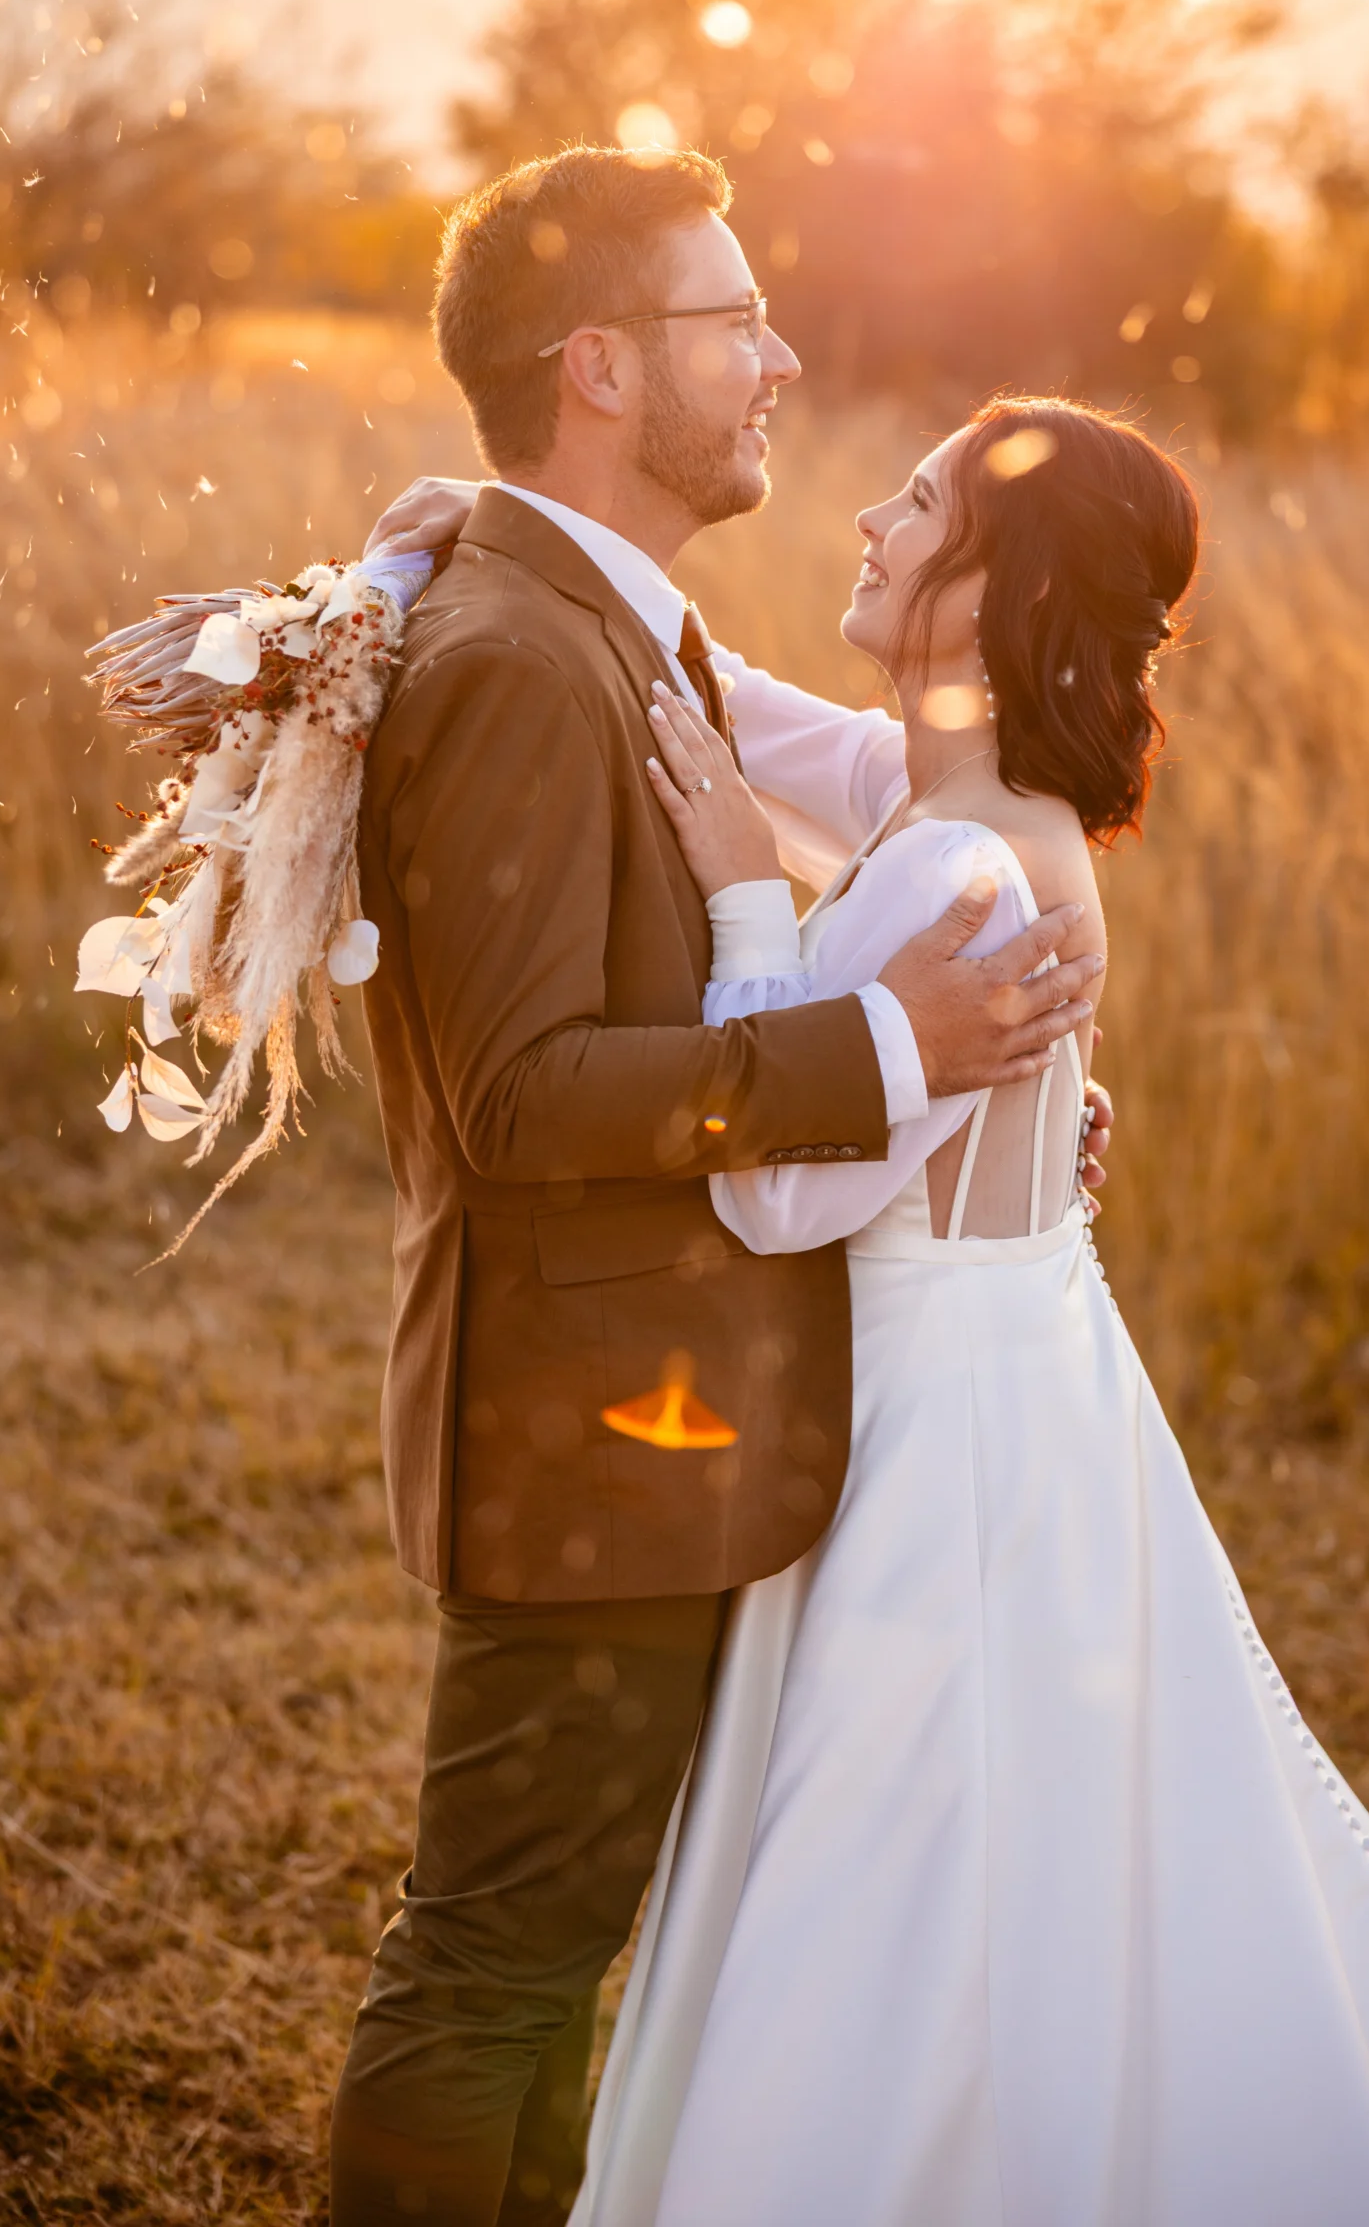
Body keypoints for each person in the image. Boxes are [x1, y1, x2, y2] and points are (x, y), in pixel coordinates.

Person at [555, 397, 1369, 2225]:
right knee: (1022, 1843)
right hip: (1021, 1364)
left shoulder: (955, 862)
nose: (867, 520)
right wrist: (525, 550)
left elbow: (773, 1191)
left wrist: (741, 903)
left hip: (927, 1435)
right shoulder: (966, 805)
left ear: (996, 591)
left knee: (896, 1865)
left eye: (918, 505)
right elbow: (756, 724)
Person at [330, 143, 1108, 2227]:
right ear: (599, 365)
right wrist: (890, 1053)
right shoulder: (518, 656)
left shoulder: (609, 622)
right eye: (732, 319)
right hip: (582, 1436)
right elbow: (516, 1097)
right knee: (489, 1964)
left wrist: (976, 1100)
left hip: (651, 1429)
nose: (779, 358)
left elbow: (886, 794)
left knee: (548, 1964)